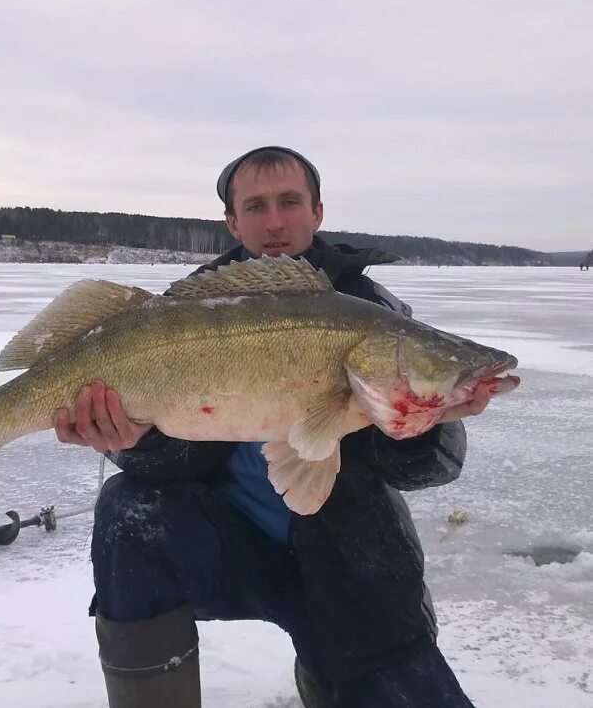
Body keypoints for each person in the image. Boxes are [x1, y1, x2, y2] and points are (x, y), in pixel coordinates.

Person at [54, 146, 491, 708]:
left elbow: (434, 466)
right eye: (256, 206)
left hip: (352, 565)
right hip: (226, 549)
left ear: (318, 212)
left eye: (290, 202)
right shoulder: (182, 316)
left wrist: (419, 425)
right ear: (233, 222)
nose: (276, 221)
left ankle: (328, 668)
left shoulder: (372, 314)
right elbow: (171, 463)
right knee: (128, 507)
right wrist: (135, 442)